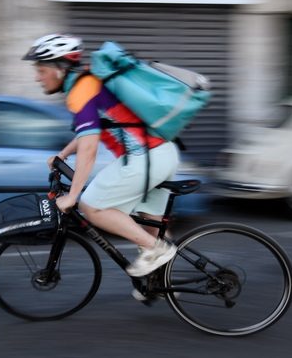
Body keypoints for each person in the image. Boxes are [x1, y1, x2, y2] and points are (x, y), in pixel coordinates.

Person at [22, 33, 178, 277]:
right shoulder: (86, 83)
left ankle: (156, 251)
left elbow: (90, 147)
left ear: (59, 69)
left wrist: (73, 195)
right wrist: (62, 155)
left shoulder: (81, 90)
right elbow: (88, 133)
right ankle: (162, 283)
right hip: (160, 154)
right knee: (151, 228)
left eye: (41, 70)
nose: (37, 77)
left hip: (146, 157)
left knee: (92, 205)